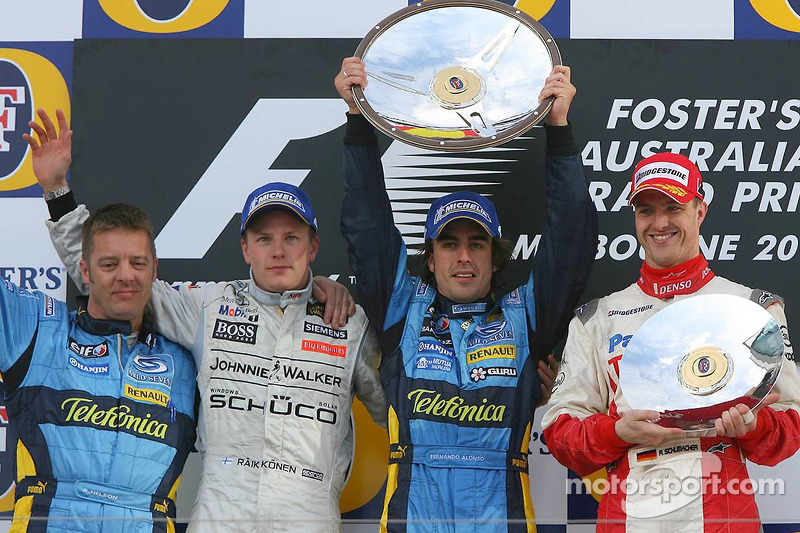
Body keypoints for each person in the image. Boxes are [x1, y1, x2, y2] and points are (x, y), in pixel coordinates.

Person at [28, 109, 387, 533]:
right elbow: (112, 277)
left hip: (308, 517)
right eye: (263, 238)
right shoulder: (208, 307)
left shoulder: (346, 322)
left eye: (291, 237)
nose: (278, 251)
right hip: (220, 518)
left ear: (313, 247)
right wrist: (57, 191)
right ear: (244, 248)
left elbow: (400, 408)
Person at [335, 58, 598, 532]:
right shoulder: (403, 308)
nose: (463, 257)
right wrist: (357, 121)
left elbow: (571, 238)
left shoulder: (525, 316)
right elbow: (367, 226)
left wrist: (558, 129)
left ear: (496, 258)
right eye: (449, 244)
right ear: (429, 258)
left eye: (476, 244)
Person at [542, 152, 800, 532]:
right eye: (646, 210)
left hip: (722, 511)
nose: (659, 223)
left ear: (700, 211)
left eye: (673, 207)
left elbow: (790, 427)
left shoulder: (753, 308)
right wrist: (616, 432)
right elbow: (561, 434)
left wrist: (753, 427)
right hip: (627, 511)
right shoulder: (597, 318)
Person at [0, 196, 197, 529]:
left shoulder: (187, 359)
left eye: (138, 263)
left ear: (154, 269)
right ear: (85, 270)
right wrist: (56, 195)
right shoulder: (37, 329)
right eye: (109, 265)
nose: (126, 276)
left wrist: (313, 290)